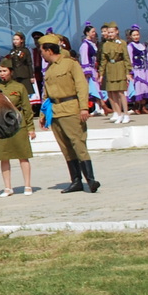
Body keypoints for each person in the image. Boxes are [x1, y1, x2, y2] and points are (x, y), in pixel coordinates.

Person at [40, 33, 99, 193]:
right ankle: (76, 181)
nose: (42, 54)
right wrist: (43, 114)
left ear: (49, 50)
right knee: (66, 148)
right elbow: (46, 94)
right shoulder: (49, 70)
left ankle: (91, 180)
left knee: (78, 144)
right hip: (55, 111)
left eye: (42, 51)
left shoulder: (70, 64)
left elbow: (81, 86)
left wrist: (84, 107)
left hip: (70, 109)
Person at [0, 61, 36, 196]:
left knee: (23, 155)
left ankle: (27, 185)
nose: (2, 74)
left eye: (4, 71)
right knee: (3, 156)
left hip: (18, 124)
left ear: (11, 72)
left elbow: (27, 108)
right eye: (0, 71)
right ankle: (7, 187)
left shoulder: (20, 87)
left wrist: (30, 128)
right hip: (1, 126)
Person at [97, 23, 130, 123]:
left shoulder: (122, 43)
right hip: (110, 68)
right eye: (109, 32)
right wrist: (101, 74)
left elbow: (126, 58)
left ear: (117, 32)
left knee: (121, 92)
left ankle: (126, 114)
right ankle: (118, 113)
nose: (110, 34)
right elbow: (103, 60)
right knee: (113, 92)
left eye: (112, 32)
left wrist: (128, 72)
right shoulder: (105, 45)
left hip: (119, 67)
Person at [126, 25, 148, 115]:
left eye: (137, 35)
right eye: (134, 35)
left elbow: (147, 58)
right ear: (130, 36)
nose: (136, 37)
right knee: (139, 88)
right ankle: (136, 107)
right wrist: (130, 71)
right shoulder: (130, 46)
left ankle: (143, 106)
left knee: (145, 88)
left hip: (145, 70)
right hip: (137, 70)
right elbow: (129, 59)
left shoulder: (142, 45)